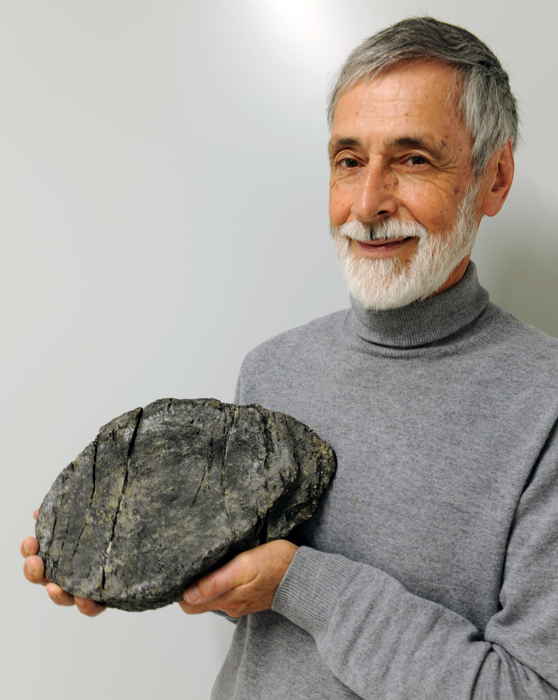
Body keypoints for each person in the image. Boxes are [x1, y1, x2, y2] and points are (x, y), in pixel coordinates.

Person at [22, 17, 558, 699]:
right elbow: (247, 590)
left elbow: (531, 689)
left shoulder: (544, 408)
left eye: (413, 159)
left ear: (495, 179)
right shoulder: (274, 368)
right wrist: (123, 550)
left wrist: (302, 582)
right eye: (349, 160)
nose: (367, 204)